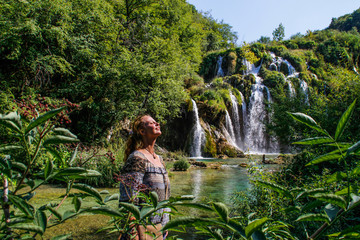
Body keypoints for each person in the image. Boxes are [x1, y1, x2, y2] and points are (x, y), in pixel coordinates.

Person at [119, 115, 170, 239]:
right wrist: (133, 234)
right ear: (142, 131)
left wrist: (166, 223)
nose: (157, 123)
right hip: (143, 229)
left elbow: (166, 196)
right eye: (152, 123)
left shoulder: (159, 159)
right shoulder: (137, 158)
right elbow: (128, 199)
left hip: (160, 228)